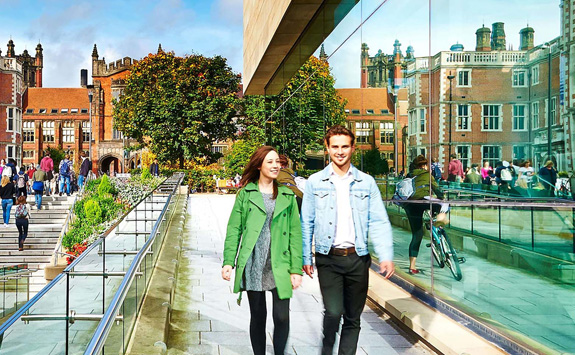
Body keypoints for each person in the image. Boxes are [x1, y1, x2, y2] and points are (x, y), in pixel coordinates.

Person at [301, 125, 394, 355]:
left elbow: (379, 221)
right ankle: (326, 348)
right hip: (328, 258)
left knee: (353, 317)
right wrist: (305, 256)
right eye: (335, 147)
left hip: (357, 259)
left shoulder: (366, 182)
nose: (340, 151)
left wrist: (386, 255)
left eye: (344, 146)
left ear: (353, 148)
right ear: (327, 148)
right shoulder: (315, 182)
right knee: (333, 312)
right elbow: (306, 222)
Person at [222, 146, 302, 355]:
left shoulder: (287, 195)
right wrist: (228, 261)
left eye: (278, 162)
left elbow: (295, 233)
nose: (276, 165)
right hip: (254, 260)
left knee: (282, 316)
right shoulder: (245, 194)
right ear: (259, 165)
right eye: (270, 162)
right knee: (258, 316)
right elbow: (234, 229)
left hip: (280, 262)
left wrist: (296, 269)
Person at [403, 155, 448, 274]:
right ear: (424, 165)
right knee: (443, 204)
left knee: (417, 235)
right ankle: (437, 219)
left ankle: (412, 266)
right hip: (424, 201)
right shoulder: (428, 175)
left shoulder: (409, 176)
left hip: (410, 205)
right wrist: (441, 197)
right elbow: (437, 190)